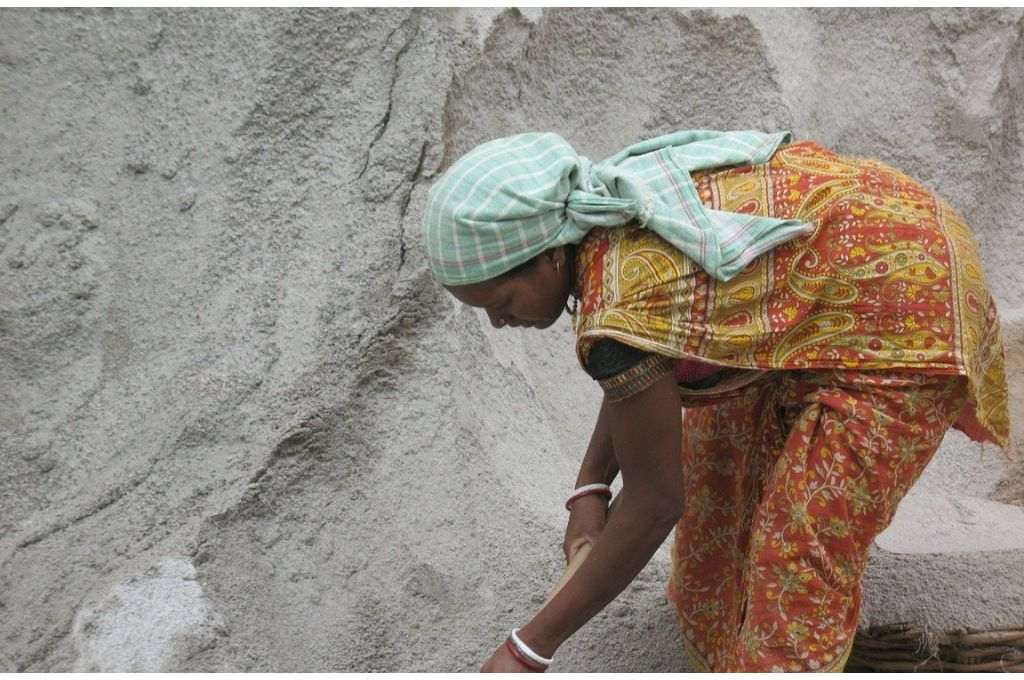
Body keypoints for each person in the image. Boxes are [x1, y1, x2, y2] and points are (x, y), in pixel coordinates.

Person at [421, 130, 1009, 672]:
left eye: (502, 299)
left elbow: (653, 504)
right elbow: (638, 380)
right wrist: (590, 488)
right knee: (715, 514)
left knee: (797, 553)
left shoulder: (619, 304)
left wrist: (527, 649)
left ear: (551, 254)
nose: (499, 322)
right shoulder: (601, 220)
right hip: (839, 264)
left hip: (909, 302)